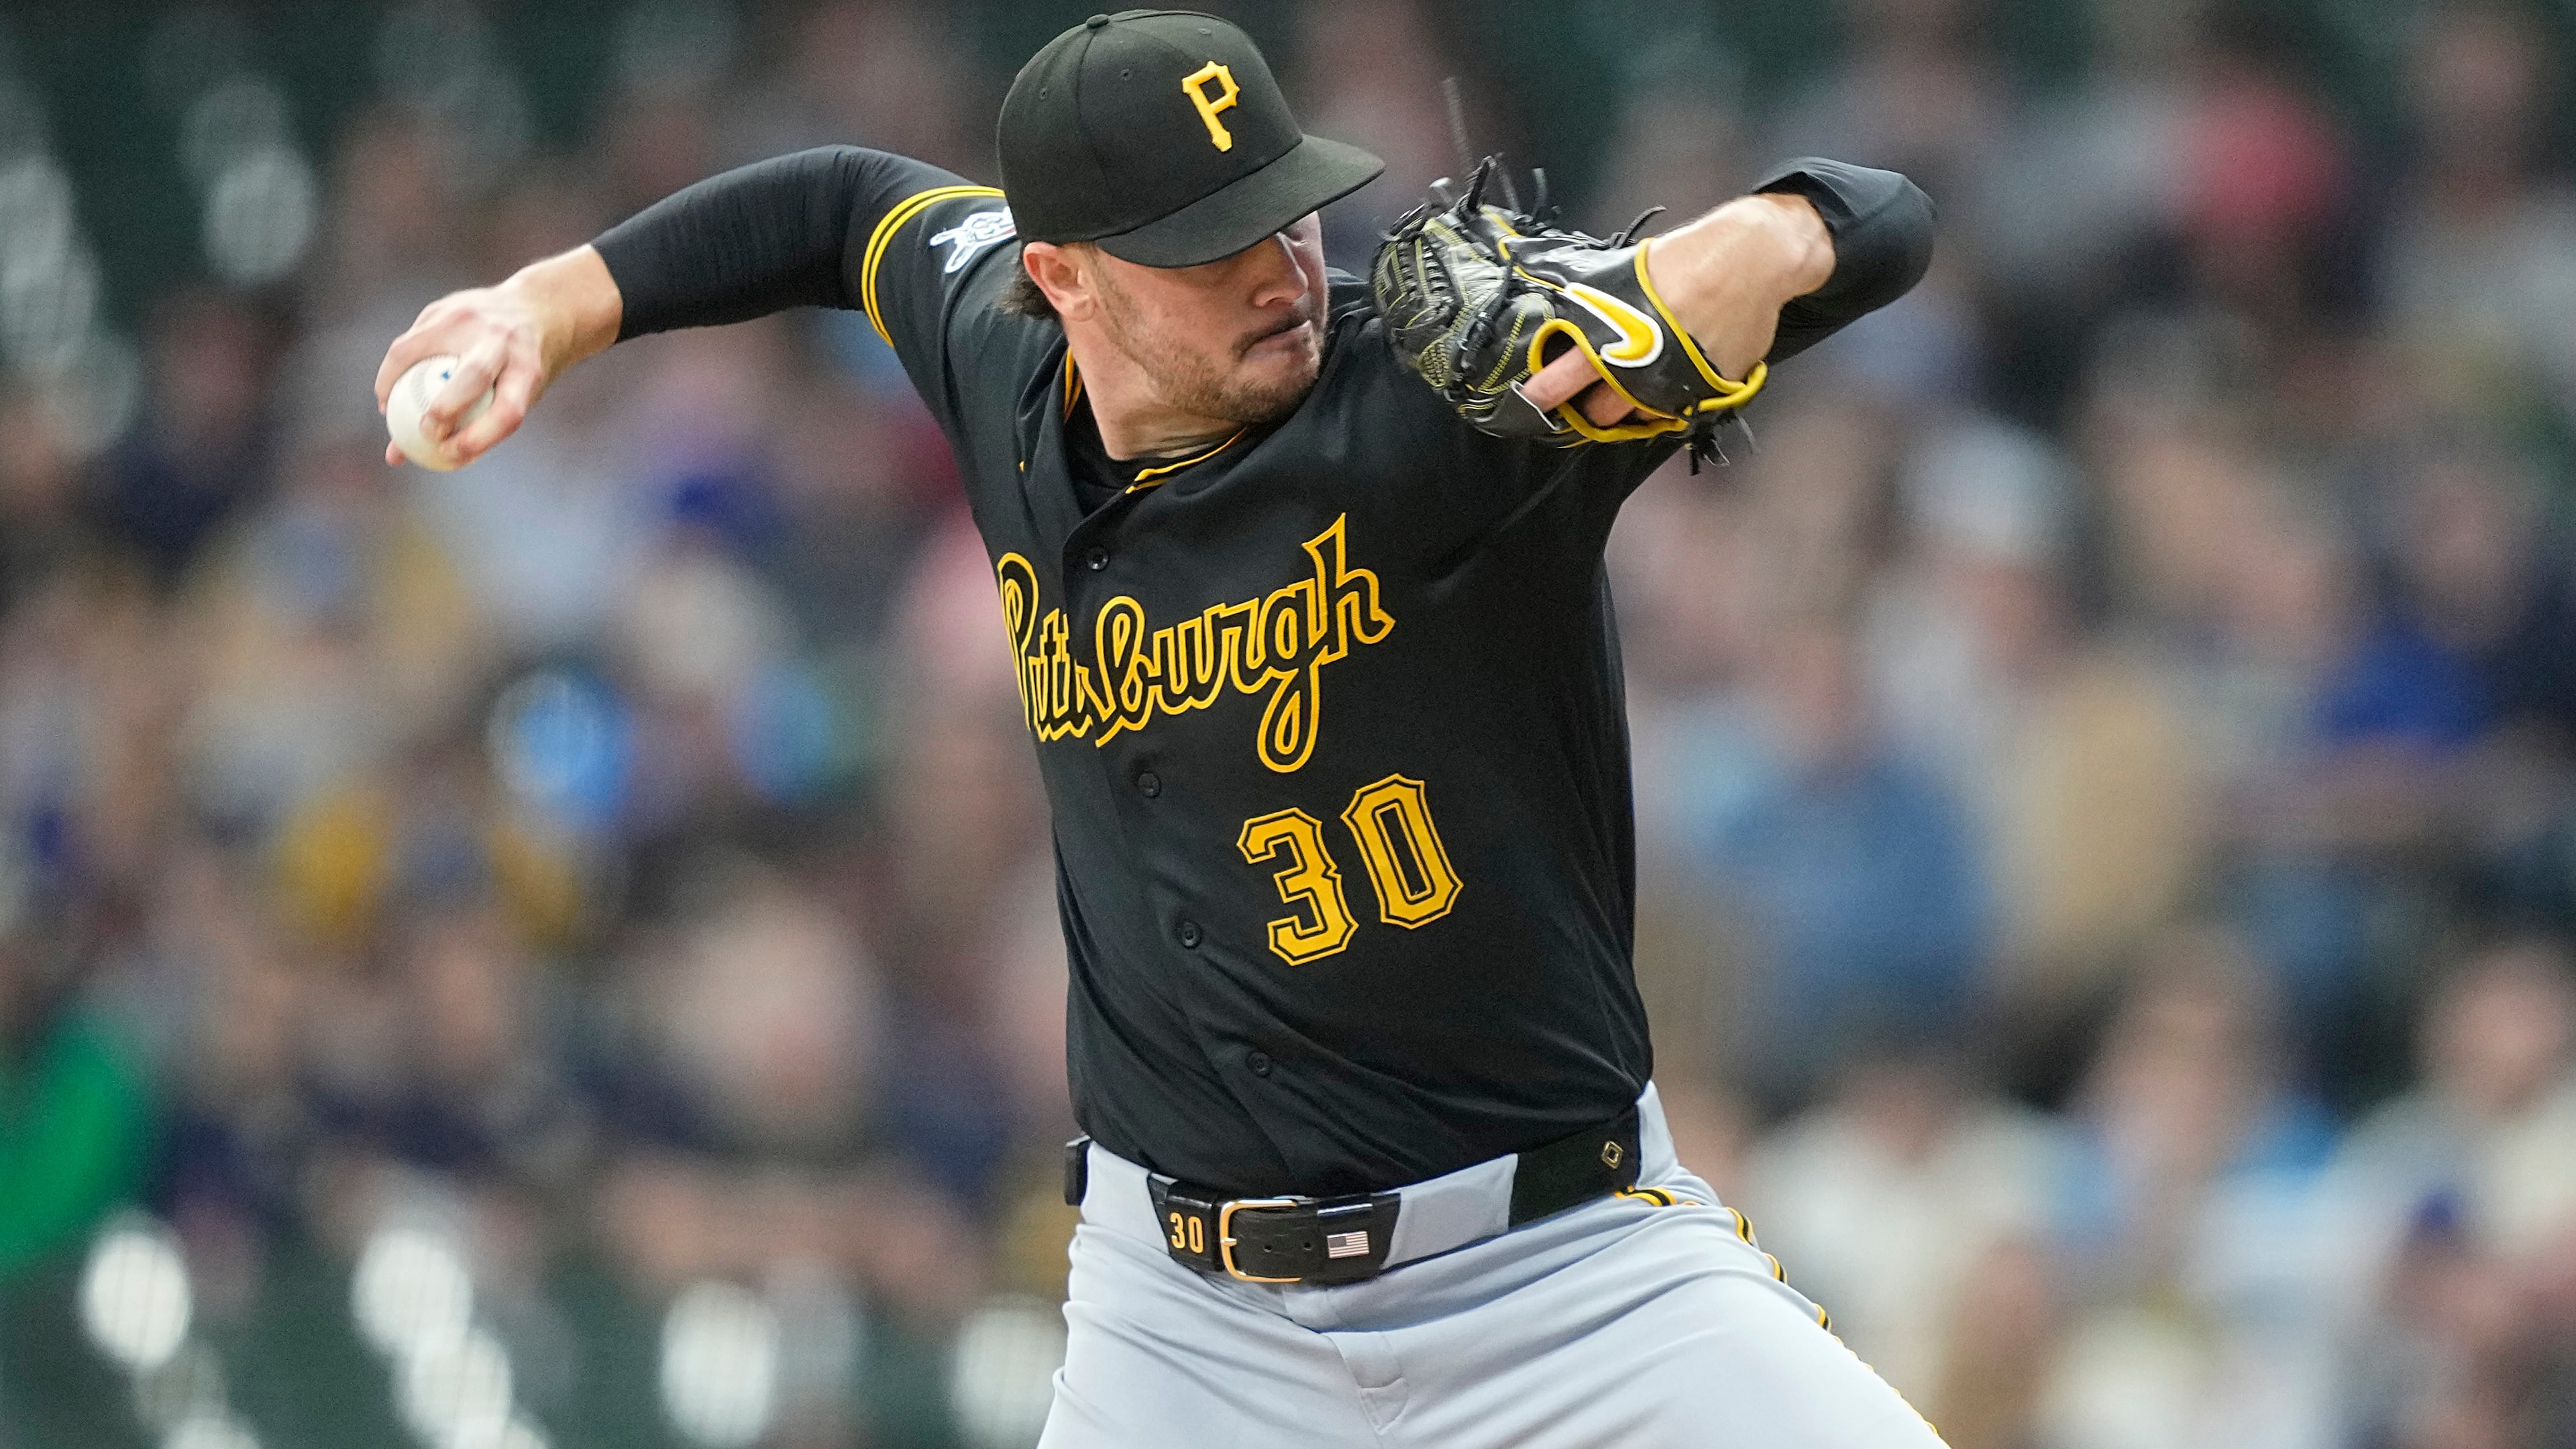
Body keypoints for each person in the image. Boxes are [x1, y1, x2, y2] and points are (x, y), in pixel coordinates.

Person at [374, 11, 1939, 1444]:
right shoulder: (996, 350)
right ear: (1062, 278)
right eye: (1210, 244)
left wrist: (1770, 235)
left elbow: (1885, 222)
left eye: (1286, 205)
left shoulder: (1453, 403)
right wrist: (546, 307)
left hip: (1565, 1283)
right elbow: (843, 208)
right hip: (1187, 1331)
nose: (1282, 264)